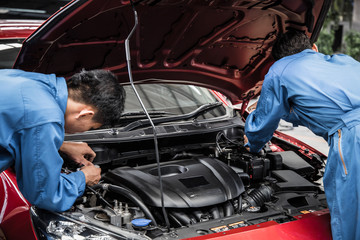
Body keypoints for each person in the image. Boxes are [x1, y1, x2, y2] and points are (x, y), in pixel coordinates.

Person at [244, 29, 360, 240]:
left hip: (354, 136)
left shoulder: (278, 70)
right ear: (313, 48)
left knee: (351, 211)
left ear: (279, 59)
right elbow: (315, 109)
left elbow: (263, 124)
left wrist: (251, 143)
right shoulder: (343, 61)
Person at [0, 68, 126, 212]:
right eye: (91, 127)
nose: (86, 131)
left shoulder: (37, 82)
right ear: (85, 114)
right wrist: (83, 178)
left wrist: (61, 145)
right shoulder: (45, 117)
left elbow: (18, 125)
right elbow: (46, 195)